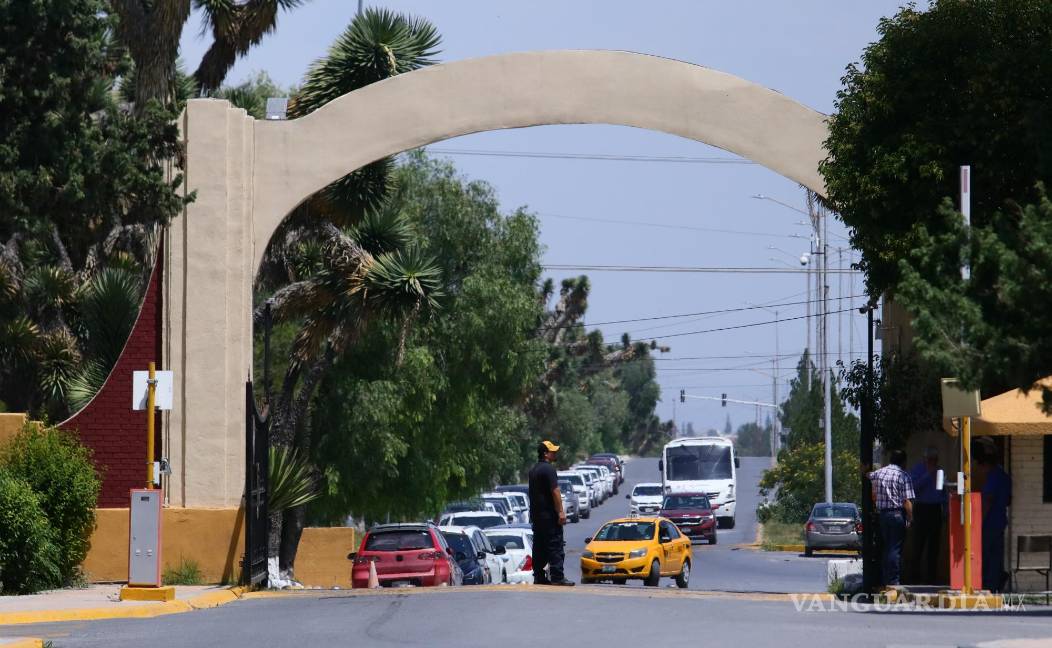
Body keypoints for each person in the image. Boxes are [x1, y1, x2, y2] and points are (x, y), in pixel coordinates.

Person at [528, 440, 574, 586]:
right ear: (545, 454)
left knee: (539, 546)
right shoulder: (548, 469)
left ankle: (539, 576)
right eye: (552, 451)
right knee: (555, 545)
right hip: (549, 517)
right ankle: (557, 577)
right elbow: (555, 491)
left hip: (537, 517)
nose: (555, 454)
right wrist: (560, 512)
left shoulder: (533, 470)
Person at [868, 449, 915, 588]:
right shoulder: (903, 476)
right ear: (903, 462)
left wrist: (864, 470)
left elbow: (869, 476)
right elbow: (907, 501)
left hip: (883, 515)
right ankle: (893, 581)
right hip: (897, 514)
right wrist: (910, 518)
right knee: (895, 548)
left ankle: (885, 579)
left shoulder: (879, 473)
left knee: (887, 547)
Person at [975, 436, 1011, 593]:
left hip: (990, 522)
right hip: (1001, 520)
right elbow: (1008, 500)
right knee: (996, 554)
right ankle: (996, 581)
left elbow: (988, 500)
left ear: (985, 464)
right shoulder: (1004, 476)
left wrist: (979, 522)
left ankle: (989, 584)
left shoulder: (993, 477)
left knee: (986, 554)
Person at [909, 446, 945, 584]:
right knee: (918, 544)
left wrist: (945, 509)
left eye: (935, 460)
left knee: (934, 546)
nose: (933, 462)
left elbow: (941, 490)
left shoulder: (939, 471)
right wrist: (927, 475)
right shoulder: (918, 469)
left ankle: (931, 578)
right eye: (930, 459)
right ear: (925, 459)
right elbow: (913, 488)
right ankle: (914, 578)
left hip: (935, 508)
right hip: (922, 508)